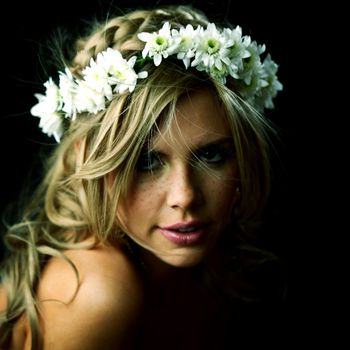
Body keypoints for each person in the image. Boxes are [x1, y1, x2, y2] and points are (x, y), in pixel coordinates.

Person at [0, 4, 284, 349]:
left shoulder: (224, 270)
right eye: (147, 162)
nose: (185, 196)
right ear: (88, 161)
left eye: (211, 155)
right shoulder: (98, 292)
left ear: (243, 156)